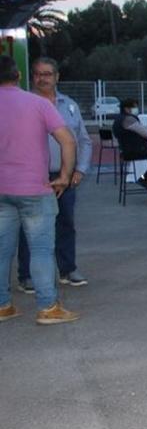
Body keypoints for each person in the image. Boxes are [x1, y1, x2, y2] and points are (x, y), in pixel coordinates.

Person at [0, 54, 79, 325]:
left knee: (2, 249)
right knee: (42, 249)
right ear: (19, 75)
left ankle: (2, 305)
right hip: (34, 187)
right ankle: (47, 307)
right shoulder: (37, 104)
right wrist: (65, 176)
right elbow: (68, 140)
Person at [15, 57, 92, 292]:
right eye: (38, 74)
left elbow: (83, 140)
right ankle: (26, 275)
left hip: (65, 176)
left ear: (57, 77)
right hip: (33, 177)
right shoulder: (23, 104)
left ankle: (67, 269)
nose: (42, 78)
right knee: (29, 226)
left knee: (65, 223)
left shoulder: (69, 105)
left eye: (47, 74)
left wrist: (79, 169)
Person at [112, 98, 147, 194]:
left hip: (125, 151)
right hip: (137, 149)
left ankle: (146, 179)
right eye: (134, 107)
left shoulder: (117, 120)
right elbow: (146, 133)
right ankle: (146, 179)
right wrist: (144, 128)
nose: (136, 109)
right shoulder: (129, 119)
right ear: (127, 109)